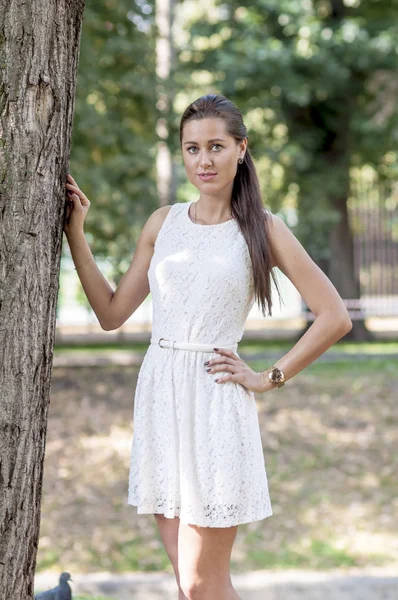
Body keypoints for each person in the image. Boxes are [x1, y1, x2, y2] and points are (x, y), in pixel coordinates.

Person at [64, 93, 352, 600]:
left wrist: (269, 377)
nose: (204, 160)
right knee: (189, 587)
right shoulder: (163, 223)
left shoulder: (263, 228)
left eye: (216, 146)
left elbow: (334, 317)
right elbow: (111, 314)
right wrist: (76, 235)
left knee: (201, 585)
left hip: (216, 403)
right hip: (161, 400)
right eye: (192, 149)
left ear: (242, 149)